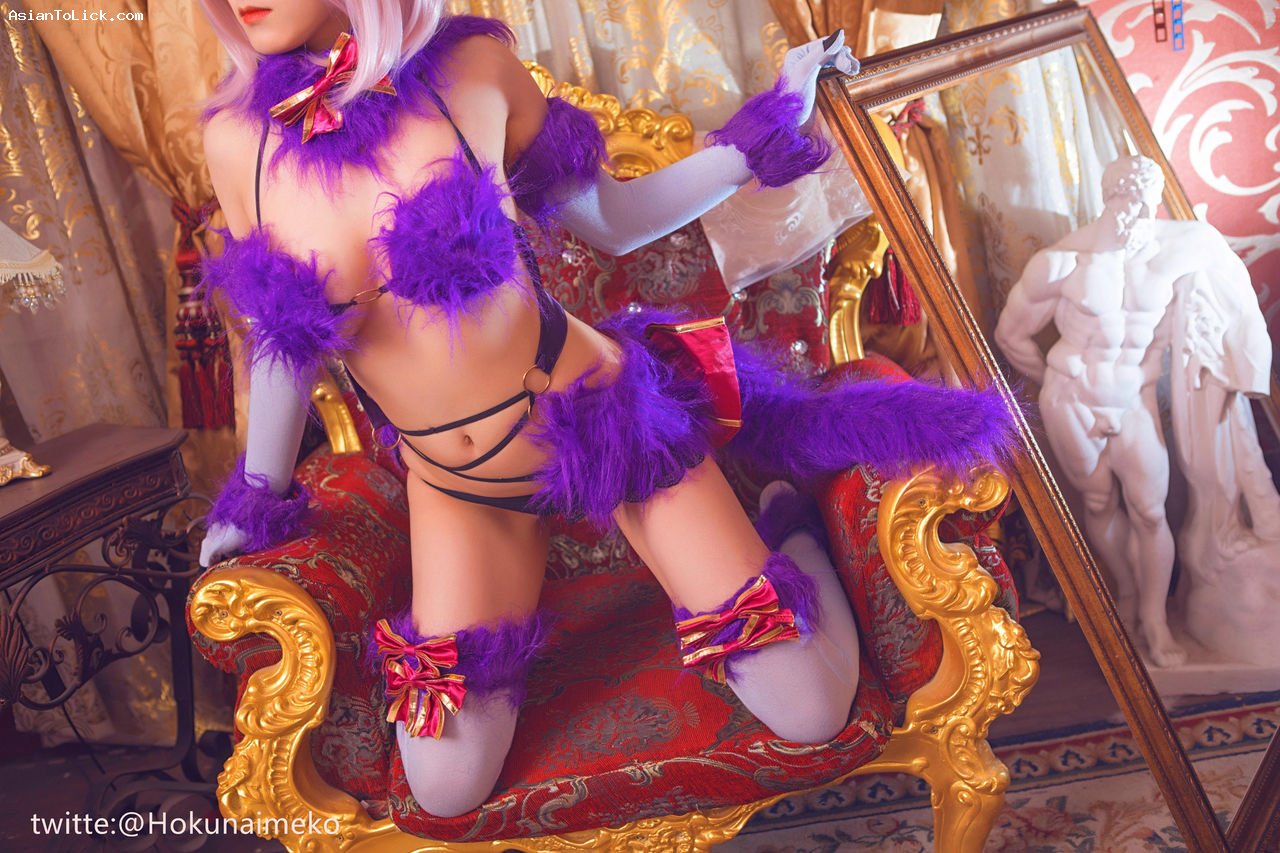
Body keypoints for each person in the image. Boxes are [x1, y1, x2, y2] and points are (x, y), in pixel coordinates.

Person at [196, 0, 1017, 818]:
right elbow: (282, 340)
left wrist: (763, 131)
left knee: (809, 709)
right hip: (456, 485)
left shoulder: (471, 70)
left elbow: (617, 223)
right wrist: (256, 494)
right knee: (446, 782)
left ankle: (792, 531)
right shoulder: (236, 142)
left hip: (601, 420)